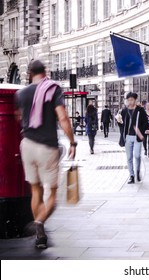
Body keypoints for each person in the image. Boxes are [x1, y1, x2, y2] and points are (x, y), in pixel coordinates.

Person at [15, 60, 77, 249]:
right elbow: (63, 118)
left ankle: (40, 235)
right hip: (47, 148)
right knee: (53, 194)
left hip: (27, 145)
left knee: (36, 190)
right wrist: (72, 142)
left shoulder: (21, 93)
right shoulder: (53, 89)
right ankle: (39, 223)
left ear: (29, 73)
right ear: (45, 72)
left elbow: (19, 117)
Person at [117, 92, 148, 184]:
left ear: (135, 100)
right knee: (129, 157)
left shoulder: (140, 110)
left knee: (137, 156)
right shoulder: (124, 111)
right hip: (127, 137)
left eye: (132, 100)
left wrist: (140, 132)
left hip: (137, 137)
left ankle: (137, 171)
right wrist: (119, 121)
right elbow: (122, 125)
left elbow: (145, 123)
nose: (130, 102)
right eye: (128, 100)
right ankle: (131, 175)